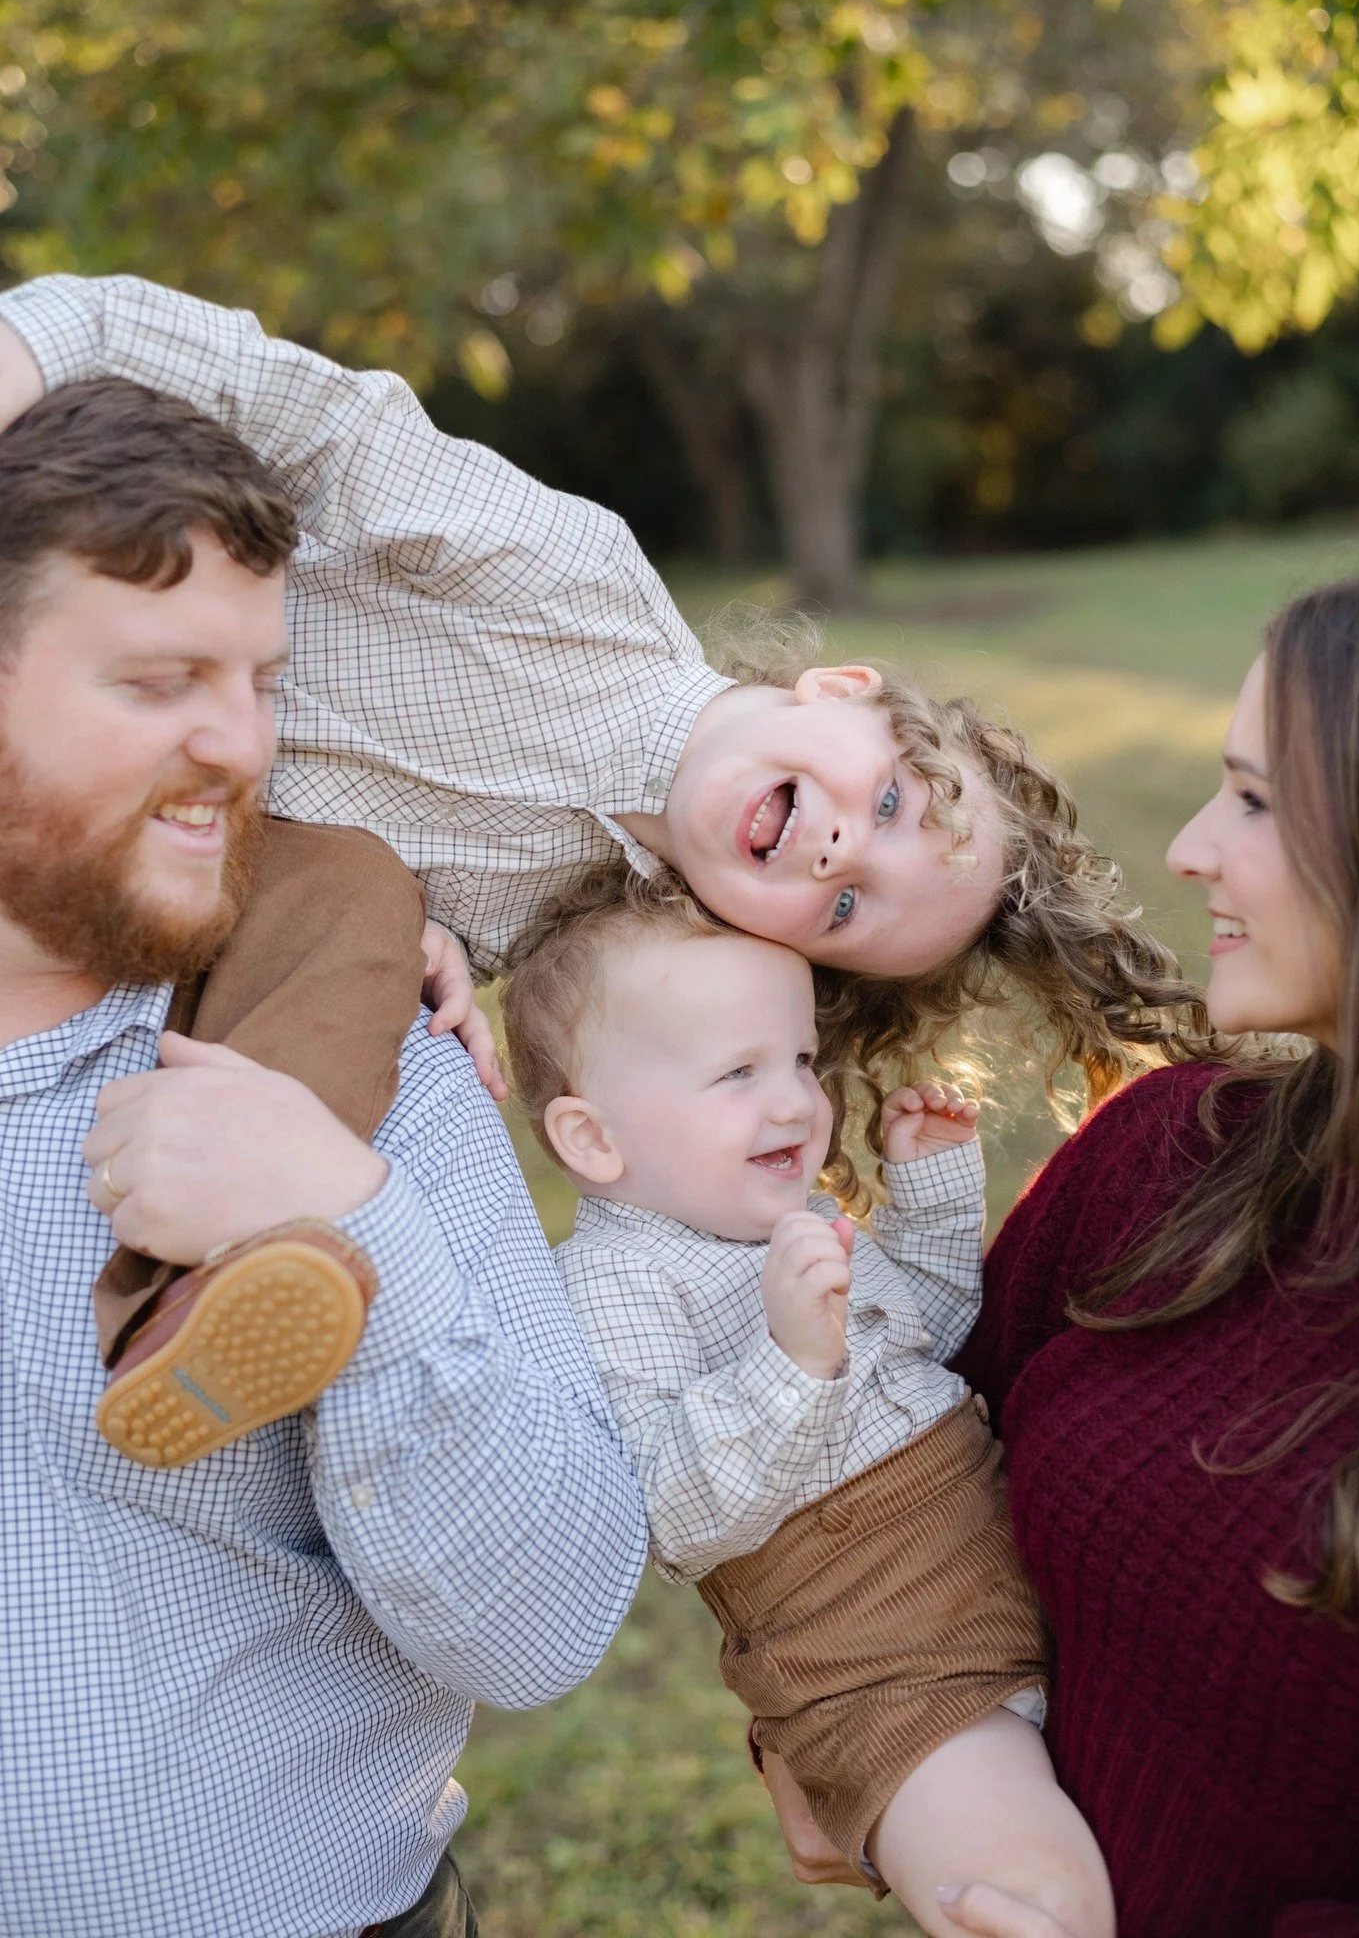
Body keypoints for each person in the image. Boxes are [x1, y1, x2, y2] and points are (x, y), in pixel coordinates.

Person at [0, 275, 1202, 1458]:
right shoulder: (575, 582)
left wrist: (427, 944)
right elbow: (316, 421)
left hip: (175, 845)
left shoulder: (583, 932)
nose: (844, 849)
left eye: (844, 907)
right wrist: (31, 354)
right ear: (841, 688)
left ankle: (190, 1296)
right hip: (104, 642)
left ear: (775, 945)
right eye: (888, 800)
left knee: (360, 911)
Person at [0, 375, 647, 1935]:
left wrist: (348, 1215)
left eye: (264, 684)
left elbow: (544, 1624)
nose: (238, 746)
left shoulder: (355, 1070)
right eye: (162, 684)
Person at [498, 865, 1115, 1938]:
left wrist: (924, 1195)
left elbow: (920, 1341)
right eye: (737, 1071)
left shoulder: (793, 1208)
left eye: (798, 1059)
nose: (794, 1098)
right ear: (595, 1139)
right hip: (880, 1648)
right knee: (1026, 1881)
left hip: (1002, 1539)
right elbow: (673, 1514)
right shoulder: (613, 1284)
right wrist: (789, 1359)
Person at [945, 578, 1359, 1938]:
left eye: (1254, 801)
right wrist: (859, 1746)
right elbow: (903, 1469)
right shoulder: (1166, 1159)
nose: (1189, 848)